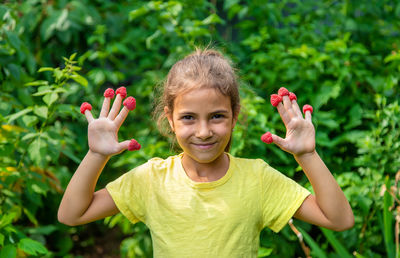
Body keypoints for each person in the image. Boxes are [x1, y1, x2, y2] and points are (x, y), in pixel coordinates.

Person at [58, 49, 354, 257]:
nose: (203, 131)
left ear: (234, 116)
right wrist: (96, 154)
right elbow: (72, 214)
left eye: (216, 116)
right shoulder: (151, 180)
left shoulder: (258, 178)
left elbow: (339, 220)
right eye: (188, 117)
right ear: (170, 119)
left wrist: (307, 155)